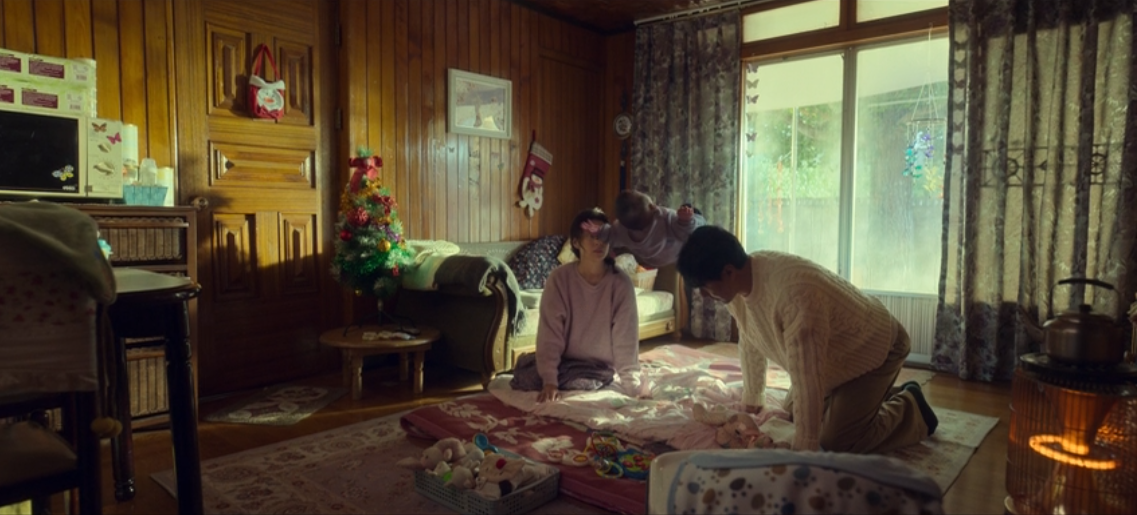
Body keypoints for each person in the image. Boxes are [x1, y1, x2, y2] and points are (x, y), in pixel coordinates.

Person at [676, 225, 938, 454]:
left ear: (728, 272)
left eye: (705, 286)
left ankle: (912, 407)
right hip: (837, 359)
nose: (704, 295)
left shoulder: (794, 296)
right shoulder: (741, 284)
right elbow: (750, 337)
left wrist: (804, 450)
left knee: (835, 440)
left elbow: (807, 378)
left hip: (876, 348)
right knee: (793, 411)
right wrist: (753, 396)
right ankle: (871, 398)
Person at [510, 208, 648, 402]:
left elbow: (625, 339)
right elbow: (550, 333)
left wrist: (633, 386)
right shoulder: (559, 279)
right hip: (565, 362)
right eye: (592, 236)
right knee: (523, 378)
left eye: (604, 236)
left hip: (597, 368)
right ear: (575, 242)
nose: (599, 242)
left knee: (583, 384)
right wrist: (549, 381)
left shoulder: (621, 284)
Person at [581, 190, 705, 268]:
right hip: (676, 250)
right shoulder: (663, 217)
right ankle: (690, 220)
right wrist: (685, 221)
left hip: (654, 259)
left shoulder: (622, 230)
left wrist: (600, 231)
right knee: (696, 222)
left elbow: (611, 235)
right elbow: (684, 234)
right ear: (652, 207)